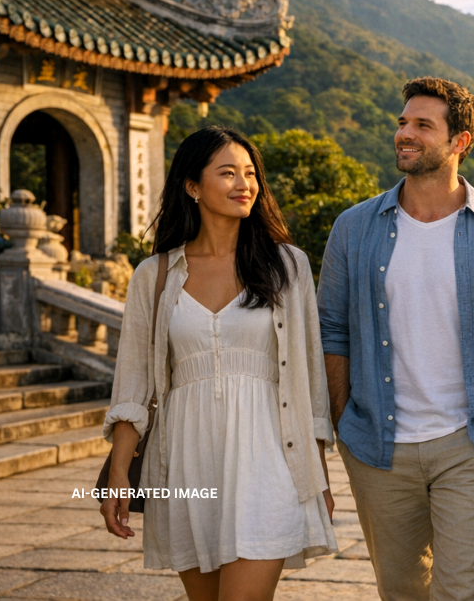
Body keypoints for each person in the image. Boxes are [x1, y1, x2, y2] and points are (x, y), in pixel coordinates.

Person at [318, 76, 474, 601]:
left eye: (423, 125)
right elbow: (332, 331)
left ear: (459, 141)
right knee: (401, 591)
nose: (405, 133)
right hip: (378, 446)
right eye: (403, 122)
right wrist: (342, 419)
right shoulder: (353, 228)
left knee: (466, 591)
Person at [101, 127, 337, 601]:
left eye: (250, 174)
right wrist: (118, 475)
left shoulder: (286, 265)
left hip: (270, 460)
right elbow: (133, 385)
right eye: (227, 173)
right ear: (192, 186)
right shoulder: (154, 275)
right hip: (186, 464)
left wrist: (318, 479)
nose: (244, 184)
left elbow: (310, 381)